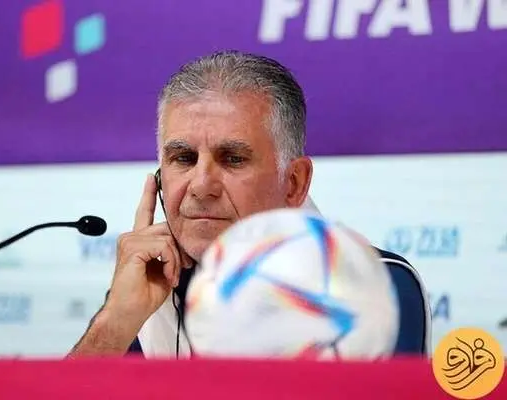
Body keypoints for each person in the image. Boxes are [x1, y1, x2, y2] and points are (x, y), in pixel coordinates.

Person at [68, 50, 430, 359]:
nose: (201, 186)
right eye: (183, 158)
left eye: (233, 159)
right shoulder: (148, 284)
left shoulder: (376, 288)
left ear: (294, 183)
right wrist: (115, 321)